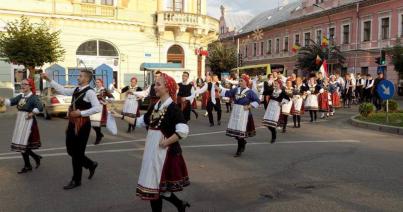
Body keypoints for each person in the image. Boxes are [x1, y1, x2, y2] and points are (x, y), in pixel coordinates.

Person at [113, 73, 190, 212]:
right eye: (155, 84)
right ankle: (180, 204)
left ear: (167, 88)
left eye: (158, 84)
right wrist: (120, 115)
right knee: (158, 189)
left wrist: (167, 142)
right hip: (152, 151)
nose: (155, 87)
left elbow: (183, 130)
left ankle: (179, 205)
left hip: (164, 155)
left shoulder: (173, 107)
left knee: (156, 189)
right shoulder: (155, 106)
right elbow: (141, 122)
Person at [42, 71, 101, 190]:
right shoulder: (76, 89)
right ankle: (90, 164)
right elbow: (62, 90)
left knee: (77, 154)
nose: (78, 77)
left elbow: (97, 107)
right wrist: (49, 80)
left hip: (83, 125)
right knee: (70, 151)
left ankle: (76, 180)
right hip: (72, 124)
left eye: (80, 76)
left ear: (86, 79)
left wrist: (81, 112)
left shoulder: (90, 92)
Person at [0, 79, 43, 174]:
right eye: (21, 84)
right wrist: (3, 100)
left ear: (30, 86)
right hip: (20, 121)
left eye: (25, 84)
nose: (22, 86)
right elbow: (11, 102)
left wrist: (32, 113)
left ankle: (28, 165)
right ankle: (33, 160)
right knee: (22, 145)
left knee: (23, 144)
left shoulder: (33, 97)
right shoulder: (21, 96)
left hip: (29, 122)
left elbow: (40, 107)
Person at [220, 75, 260, 157]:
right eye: (240, 80)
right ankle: (243, 143)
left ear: (246, 82)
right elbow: (228, 93)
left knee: (240, 133)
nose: (240, 82)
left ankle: (239, 150)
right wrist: (218, 89)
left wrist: (249, 106)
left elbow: (257, 100)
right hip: (236, 112)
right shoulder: (236, 89)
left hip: (245, 114)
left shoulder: (250, 92)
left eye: (242, 81)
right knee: (235, 132)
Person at [91, 78, 114, 145]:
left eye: (98, 82)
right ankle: (100, 134)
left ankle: (98, 137)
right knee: (92, 123)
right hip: (93, 107)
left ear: (101, 83)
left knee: (97, 124)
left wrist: (106, 102)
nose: (97, 83)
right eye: (96, 82)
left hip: (101, 108)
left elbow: (112, 97)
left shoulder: (104, 90)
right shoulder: (93, 90)